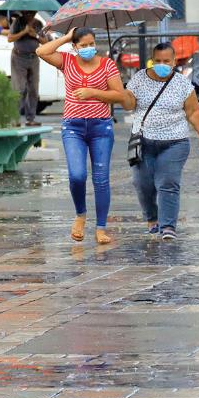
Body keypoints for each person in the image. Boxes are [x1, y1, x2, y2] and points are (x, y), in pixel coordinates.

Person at [38, 27, 129, 245]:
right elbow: (41, 51)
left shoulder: (107, 64)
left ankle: (101, 228)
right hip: (73, 128)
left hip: (101, 128)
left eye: (91, 44)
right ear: (75, 47)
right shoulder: (67, 61)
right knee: (77, 175)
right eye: (83, 45)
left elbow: (120, 95)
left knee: (101, 179)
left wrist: (93, 93)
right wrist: (67, 37)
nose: (89, 48)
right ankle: (80, 214)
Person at [122, 42, 199, 242]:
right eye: (158, 61)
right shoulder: (139, 79)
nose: (162, 64)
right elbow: (129, 104)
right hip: (143, 141)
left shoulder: (182, 84)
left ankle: (168, 226)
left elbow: (194, 111)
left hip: (175, 142)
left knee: (167, 182)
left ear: (173, 62)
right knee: (142, 183)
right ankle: (152, 219)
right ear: (152, 61)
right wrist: (121, 93)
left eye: (167, 61)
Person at [6, 11, 44, 127]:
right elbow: (10, 38)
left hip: (33, 58)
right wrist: (24, 32)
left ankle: (30, 119)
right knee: (19, 89)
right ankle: (15, 119)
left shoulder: (38, 24)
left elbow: (47, 41)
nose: (29, 16)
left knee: (33, 89)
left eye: (32, 14)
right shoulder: (18, 22)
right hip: (19, 57)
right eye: (27, 14)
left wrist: (35, 35)